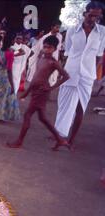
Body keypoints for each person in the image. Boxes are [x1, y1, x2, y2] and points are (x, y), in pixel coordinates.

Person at [55, 1, 105, 147]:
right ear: (85, 13)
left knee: (80, 108)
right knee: (64, 104)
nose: (93, 19)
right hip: (70, 72)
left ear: (100, 16)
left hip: (87, 76)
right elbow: (68, 53)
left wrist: (92, 72)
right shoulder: (72, 30)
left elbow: (99, 56)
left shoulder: (102, 32)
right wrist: (61, 72)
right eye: (91, 15)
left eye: (97, 16)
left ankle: (71, 139)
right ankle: (59, 134)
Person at [7, 36, 70, 150]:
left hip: (42, 91)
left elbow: (66, 76)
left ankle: (19, 141)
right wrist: (27, 92)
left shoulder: (53, 62)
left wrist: (51, 88)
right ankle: (60, 140)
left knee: (28, 115)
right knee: (43, 118)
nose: (46, 49)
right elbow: (36, 77)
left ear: (55, 49)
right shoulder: (41, 58)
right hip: (36, 90)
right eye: (45, 47)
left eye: (49, 47)